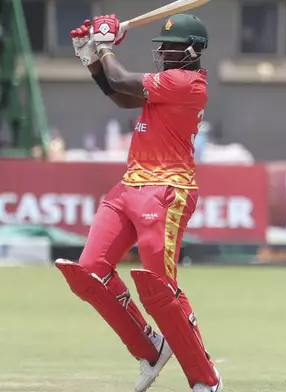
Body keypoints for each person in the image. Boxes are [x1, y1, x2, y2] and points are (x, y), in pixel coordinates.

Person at [55, 14, 222, 392]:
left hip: (167, 190)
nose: (163, 52)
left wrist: (105, 45)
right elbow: (118, 95)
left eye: (171, 47)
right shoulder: (165, 84)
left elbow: (121, 80)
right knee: (88, 273)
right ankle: (150, 349)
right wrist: (93, 58)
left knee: (160, 290)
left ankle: (205, 380)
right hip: (129, 186)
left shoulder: (188, 83)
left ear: (193, 51)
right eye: (161, 47)